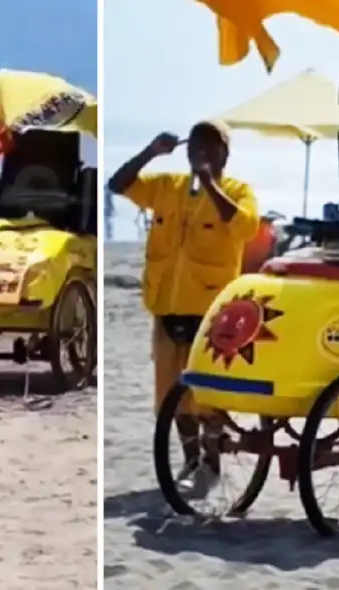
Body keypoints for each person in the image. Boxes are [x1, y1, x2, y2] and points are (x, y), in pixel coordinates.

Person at [108, 120, 259, 492]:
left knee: (208, 394)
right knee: (171, 395)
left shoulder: (238, 190)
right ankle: (191, 459)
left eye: (210, 147)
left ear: (225, 152)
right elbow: (117, 184)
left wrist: (209, 184)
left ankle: (212, 462)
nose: (201, 154)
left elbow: (245, 227)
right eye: (196, 147)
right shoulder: (168, 187)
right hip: (167, 304)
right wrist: (150, 152)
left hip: (211, 310)